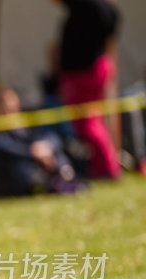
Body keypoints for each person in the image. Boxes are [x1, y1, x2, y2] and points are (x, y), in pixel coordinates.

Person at [0, 87, 81, 200]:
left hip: (28, 171)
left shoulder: (22, 125)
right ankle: (47, 185)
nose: (8, 105)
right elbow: (7, 149)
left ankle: (66, 178)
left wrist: (45, 148)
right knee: (15, 160)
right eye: (3, 103)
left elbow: (50, 137)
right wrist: (33, 152)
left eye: (12, 101)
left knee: (47, 147)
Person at [55, 0, 120, 179]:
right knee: (92, 121)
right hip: (96, 68)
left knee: (87, 123)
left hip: (82, 72)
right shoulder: (111, 12)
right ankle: (102, 166)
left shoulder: (89, 6)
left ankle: (107, 168)